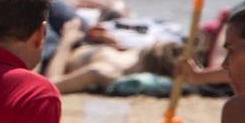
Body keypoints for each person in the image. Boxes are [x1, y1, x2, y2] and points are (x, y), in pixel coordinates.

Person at [45, 17, 187, 94]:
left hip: (53, 54)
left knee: (35, 3)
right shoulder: (136, 55)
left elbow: (51, 83)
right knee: (49, 0)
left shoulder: (104, 72)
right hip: (80, 41)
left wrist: (66, 42)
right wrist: (108, 39)